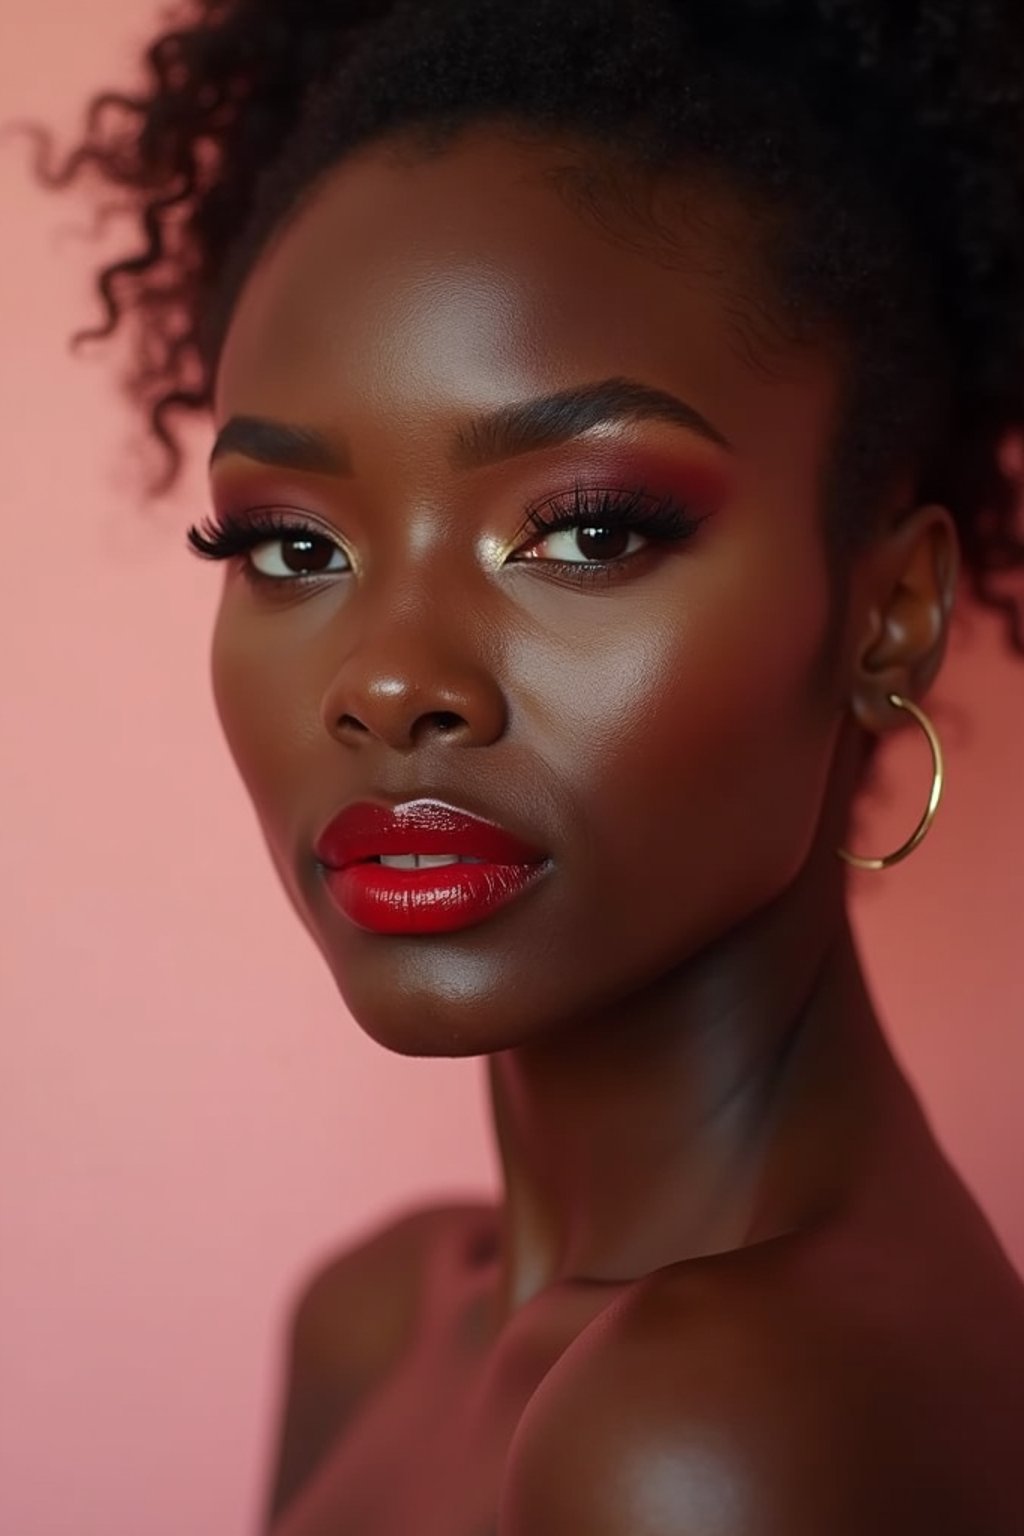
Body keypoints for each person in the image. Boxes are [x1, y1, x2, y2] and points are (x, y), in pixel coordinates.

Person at [38, 1, 1024, 1531]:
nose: (390, 683)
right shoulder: (379, 1323)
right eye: (293, 544)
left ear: (889, 613)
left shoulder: (728, 1430)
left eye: (586, 530)